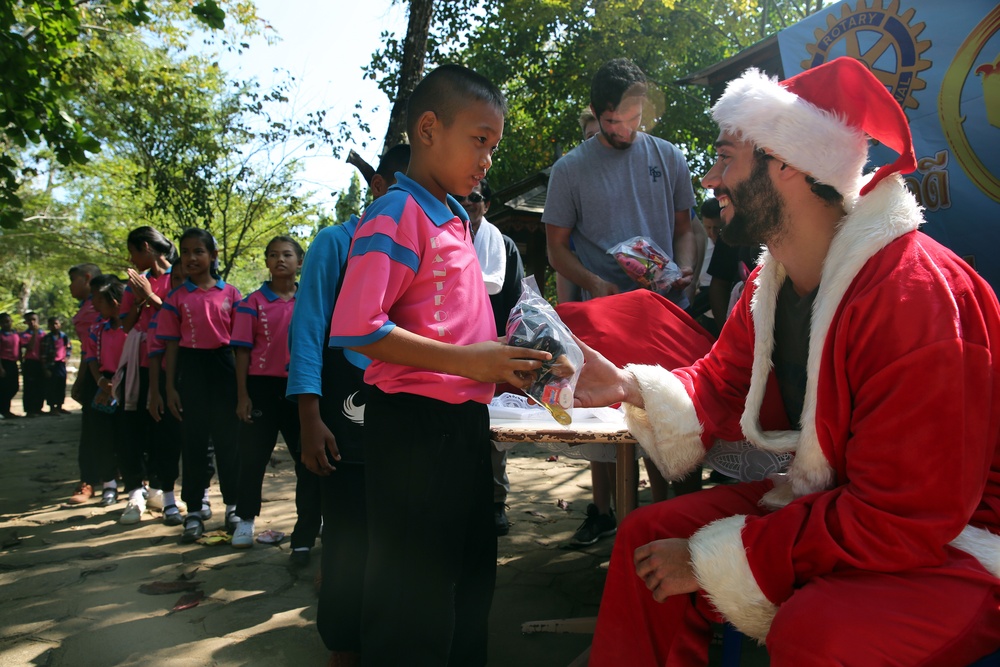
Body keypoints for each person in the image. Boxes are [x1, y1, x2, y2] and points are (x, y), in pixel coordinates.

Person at [574, 57, 1000, 665]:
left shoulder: (912, 296)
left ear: (789, 163)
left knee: (816, 631)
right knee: (647, 533)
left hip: (959, 539)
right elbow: (717, 382)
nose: (712, 178)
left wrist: (713, 559)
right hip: (846, 507)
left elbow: (908, 514)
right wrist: (623, 384)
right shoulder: (768, 289)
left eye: (725, 157)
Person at [328, 64, 549, 666]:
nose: (487, 160)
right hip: (414, 429)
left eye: (493, 146)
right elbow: (357, 326)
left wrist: (506, 361)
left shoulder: (451, 218)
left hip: (464, 428)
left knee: (470, 576)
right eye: (479, 140)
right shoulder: (396, 211)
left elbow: (453, 323)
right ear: (428, 129)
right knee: (413, 594)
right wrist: (470, 360)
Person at [543, 58, 698, 544]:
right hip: (606, 322)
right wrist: (594, 279)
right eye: (614, 122)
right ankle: (623, 524)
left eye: (635, 120)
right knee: (615, 437)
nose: (626, 131)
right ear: (596, 112)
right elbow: (556, 248)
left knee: (671, 430)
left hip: (665, 313)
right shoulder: (570, 170)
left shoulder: (669, 156)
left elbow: (684, 230)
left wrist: (684, 270)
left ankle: (673, 529)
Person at [290, 143, 410, 666]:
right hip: (342, 415)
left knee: (395, 537)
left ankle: (387, 636)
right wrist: (309, 417)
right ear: (381, 187)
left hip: (403, 418)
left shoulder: (425, 245)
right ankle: (343, 644)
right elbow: (310, 330)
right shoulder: (334, 244)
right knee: (346, 534)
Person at [230, 236, 316, 565]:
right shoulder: (251, 303)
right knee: (252, 459)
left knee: (308, 462)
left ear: (299, 262)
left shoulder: (309, 301)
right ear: (266, 262)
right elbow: (241, 351)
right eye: (273, 255)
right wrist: (242, 396)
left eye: (287, 255)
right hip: (261, 388)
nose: (280, 260)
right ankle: (245, 521)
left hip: (301, 387)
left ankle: (306, 533)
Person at [158, 228, 243, 543]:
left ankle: (234, 506)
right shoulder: (176, 298)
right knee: (193, 442)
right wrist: (169, 387)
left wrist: (243, 389)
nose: (191, 258)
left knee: (229, 442)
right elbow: (169, 345)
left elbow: (241, 347)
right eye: (186, 251)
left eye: (198, 251)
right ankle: (194, 510)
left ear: (213, 256)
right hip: (190, 368)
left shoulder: (231, 294)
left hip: (225, 367)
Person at [456, 176, 526, 536]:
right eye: (462, 198)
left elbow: (516, 301)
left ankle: (496, 503)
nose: (469, 203)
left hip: (493, 348)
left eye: (476, 198)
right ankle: (461, 501)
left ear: (486, 204)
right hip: (454, 351)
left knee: (493, 432)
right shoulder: (448, 239)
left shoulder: (503, 246)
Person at [116, 226, 177, 524]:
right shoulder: (135, 284)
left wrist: (151, 295)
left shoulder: (178, 278)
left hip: (171, 363)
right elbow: (126, 324)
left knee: (164, 428)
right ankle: (133, 492)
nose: (131, 258)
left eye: (132, 251)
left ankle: (160, 488)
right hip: (138, 362)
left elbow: (177, 316)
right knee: (132, 425)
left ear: (145, 247)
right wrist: (140, 298)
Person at [145, 256, 189, 526]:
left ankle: (201, 497)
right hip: (167, 383)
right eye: (176, 280)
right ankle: (169, 499)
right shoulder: (162, 315)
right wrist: (156, 392)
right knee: (166, 443)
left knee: (200, 445)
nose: (181, 285)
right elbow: (153, 355)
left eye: (187, 280)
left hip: (198, 383)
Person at [85, 274, 128, 507]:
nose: (94, 305)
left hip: (128, 384)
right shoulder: (98, 328)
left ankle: (135, 483)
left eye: (98, 300)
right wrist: (100, 381)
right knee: (102, 437)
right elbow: (91, 356)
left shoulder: (131, 326)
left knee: (127, 435)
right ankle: (109, 485)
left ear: (113, 302)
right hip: (104, 383)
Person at [66, 263, 104, 504]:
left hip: (102, 373)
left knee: (94, 428)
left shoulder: (96, 308)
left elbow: (92, 351)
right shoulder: (87, 308)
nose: (70, 286)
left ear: (87, 278)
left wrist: (82, 381)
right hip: (95, 372)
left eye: (73, 280)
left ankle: (89, 480)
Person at [40, 316, 71, 415]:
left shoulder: (64, 336)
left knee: (61, 385)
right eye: (52, 324)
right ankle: (52, 407)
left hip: (61, 364)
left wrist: (67, 357)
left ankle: (60, 406)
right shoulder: (47, 338)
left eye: (56, 323)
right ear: (49, 326)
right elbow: (43, 353)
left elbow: (69, 347)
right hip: (51, 364)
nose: (55, 326)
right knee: (51, 386)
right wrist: (45, 368)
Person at [19, 311, 46, 417]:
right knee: (30, 387)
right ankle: (30, 409)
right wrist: (34, 333)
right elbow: (29, 348)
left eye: (34, 320)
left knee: (41, 385)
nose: (32, 322)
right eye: (29, 320)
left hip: (41, 362)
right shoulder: (24, 335)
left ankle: (38, 408)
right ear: (26, 322)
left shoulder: (43, 334)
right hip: (30, 362)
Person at [0, 313, 20, 419]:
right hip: (4, 362)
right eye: (4, 322)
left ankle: (4, 409)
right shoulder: (1, 335)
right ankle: (5, 410)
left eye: (8, 321)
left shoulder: (15, 334)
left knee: (14, 387)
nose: (7, 324)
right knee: (4, 388)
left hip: (13, 363)